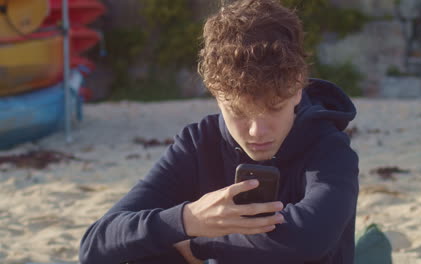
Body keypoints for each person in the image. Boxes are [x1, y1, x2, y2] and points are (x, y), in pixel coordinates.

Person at [79, 0, 359, 263]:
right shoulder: (198, 142)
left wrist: (200, 243)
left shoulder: (330, 148)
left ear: (299, 87)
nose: (257, 131)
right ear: (215, 94)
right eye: (239, 113)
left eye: (274, 109)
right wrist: (188, 219)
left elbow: (309, 238)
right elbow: (95, 243)